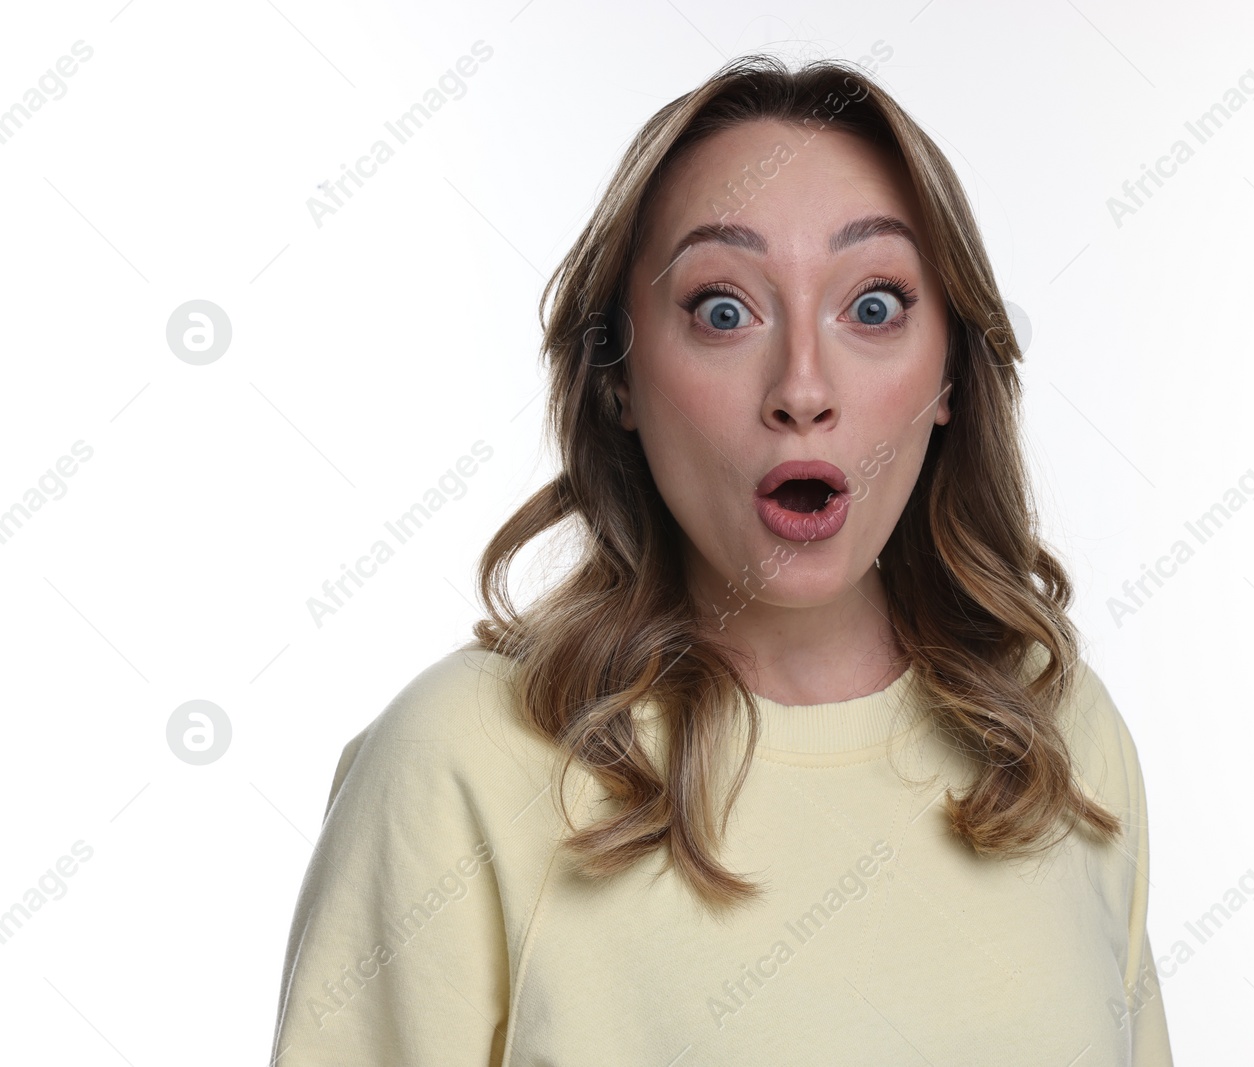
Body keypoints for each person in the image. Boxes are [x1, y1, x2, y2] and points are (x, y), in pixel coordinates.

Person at [269, 53, 1174, 1065]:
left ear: (951, 374)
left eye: (872, 306)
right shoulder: (456, 763)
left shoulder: (1055, 736)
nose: (801, 387)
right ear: (618, 380)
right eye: (723, 309)